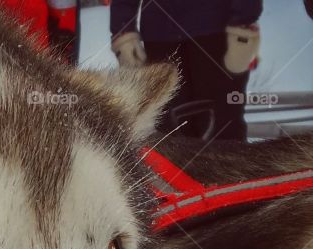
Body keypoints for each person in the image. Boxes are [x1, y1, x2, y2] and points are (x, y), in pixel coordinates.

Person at [110, 0, 262, 143]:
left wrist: (244, 21)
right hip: (160, 34)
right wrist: (123, 29)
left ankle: (230, 169)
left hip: (216, 32)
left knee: (223, 128)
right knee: (170, 131)